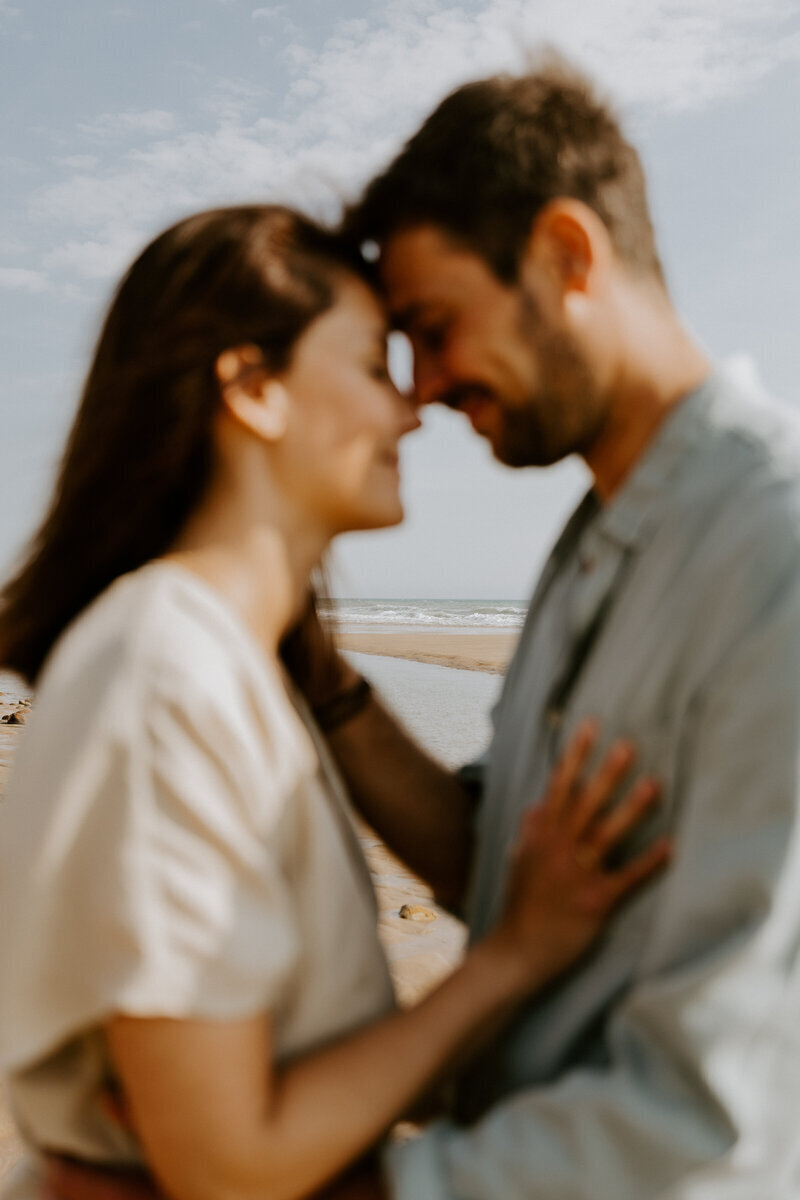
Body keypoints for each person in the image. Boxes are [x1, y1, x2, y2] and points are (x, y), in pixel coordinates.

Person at [0, 205, 668, 1200]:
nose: (410, 411)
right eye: (369, 367)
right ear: (253, 389)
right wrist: (510, 959)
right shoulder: (166, 676)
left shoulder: (229, 669)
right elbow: (225, 1165)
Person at [276, 54, 800, 1197]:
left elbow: (713, 1125)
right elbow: (500, 864)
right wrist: (326, 686)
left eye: (433, 325)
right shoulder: (597, 534)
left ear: (566, 255)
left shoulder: (772, 552)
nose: (417, 388)